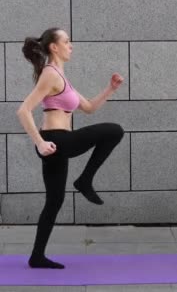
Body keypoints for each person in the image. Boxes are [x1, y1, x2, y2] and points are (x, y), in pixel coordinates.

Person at [16, 27, 125, 269]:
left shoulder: (61, 77)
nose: (71, 45)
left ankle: (36, 257)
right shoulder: (51, 75)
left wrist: (111, 89)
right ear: (54, 47)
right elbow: (23, 110)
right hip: (55, 140)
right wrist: (40, 143)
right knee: (114, 130)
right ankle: (85, 180)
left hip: (58, 143)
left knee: (54, 202)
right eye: (67, 41)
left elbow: (88, 108)